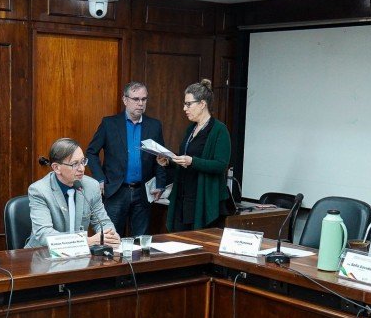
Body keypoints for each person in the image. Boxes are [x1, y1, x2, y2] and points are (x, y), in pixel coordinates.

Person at [86, 82, 167, 236]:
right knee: (111, 239)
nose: (140, 103)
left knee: (140, 241)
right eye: (136, 99)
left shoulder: (154, 126)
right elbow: (91, 152)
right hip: (116, 191)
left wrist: (161, 184)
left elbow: (160, 157)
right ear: (125, 100)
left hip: (143, 192)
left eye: (144, 99)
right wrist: (100, 179)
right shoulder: (109, 124)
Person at [157, 79, 231, 231]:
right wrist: (169, 161)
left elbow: (221, 165)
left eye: (188, 104)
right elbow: (186, 158)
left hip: (203, 198)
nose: (184, 108)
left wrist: (192, 162)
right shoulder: (191, 128)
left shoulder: (219, 130)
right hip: (183, 197)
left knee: (198, 245)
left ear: (202, 104)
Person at [26, 138, 120, 248]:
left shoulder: (91, 186)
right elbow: (44, 234)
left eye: (83, 162)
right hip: (43, 255)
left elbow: (103, 222)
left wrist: (111, 236)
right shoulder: (39, 190)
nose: (82, 169)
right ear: (56, 168)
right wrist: (87, 242)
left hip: (79, 256)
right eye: (75, 164)